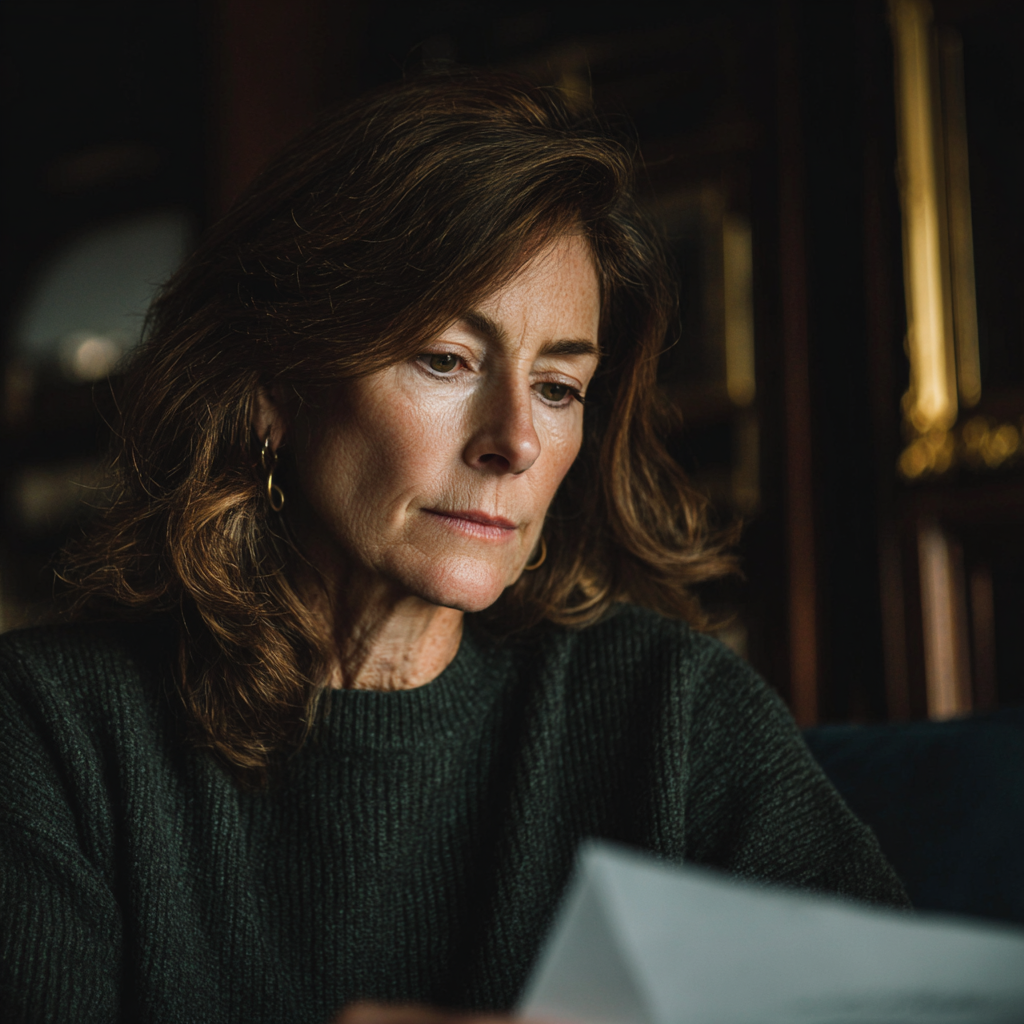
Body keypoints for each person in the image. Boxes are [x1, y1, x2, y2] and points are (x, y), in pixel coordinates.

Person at [0, 69, 906, 1024]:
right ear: (272, 388)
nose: (514, 439)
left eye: (559, 387)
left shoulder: (671, 713)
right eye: (447, 360)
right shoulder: (49, 732)